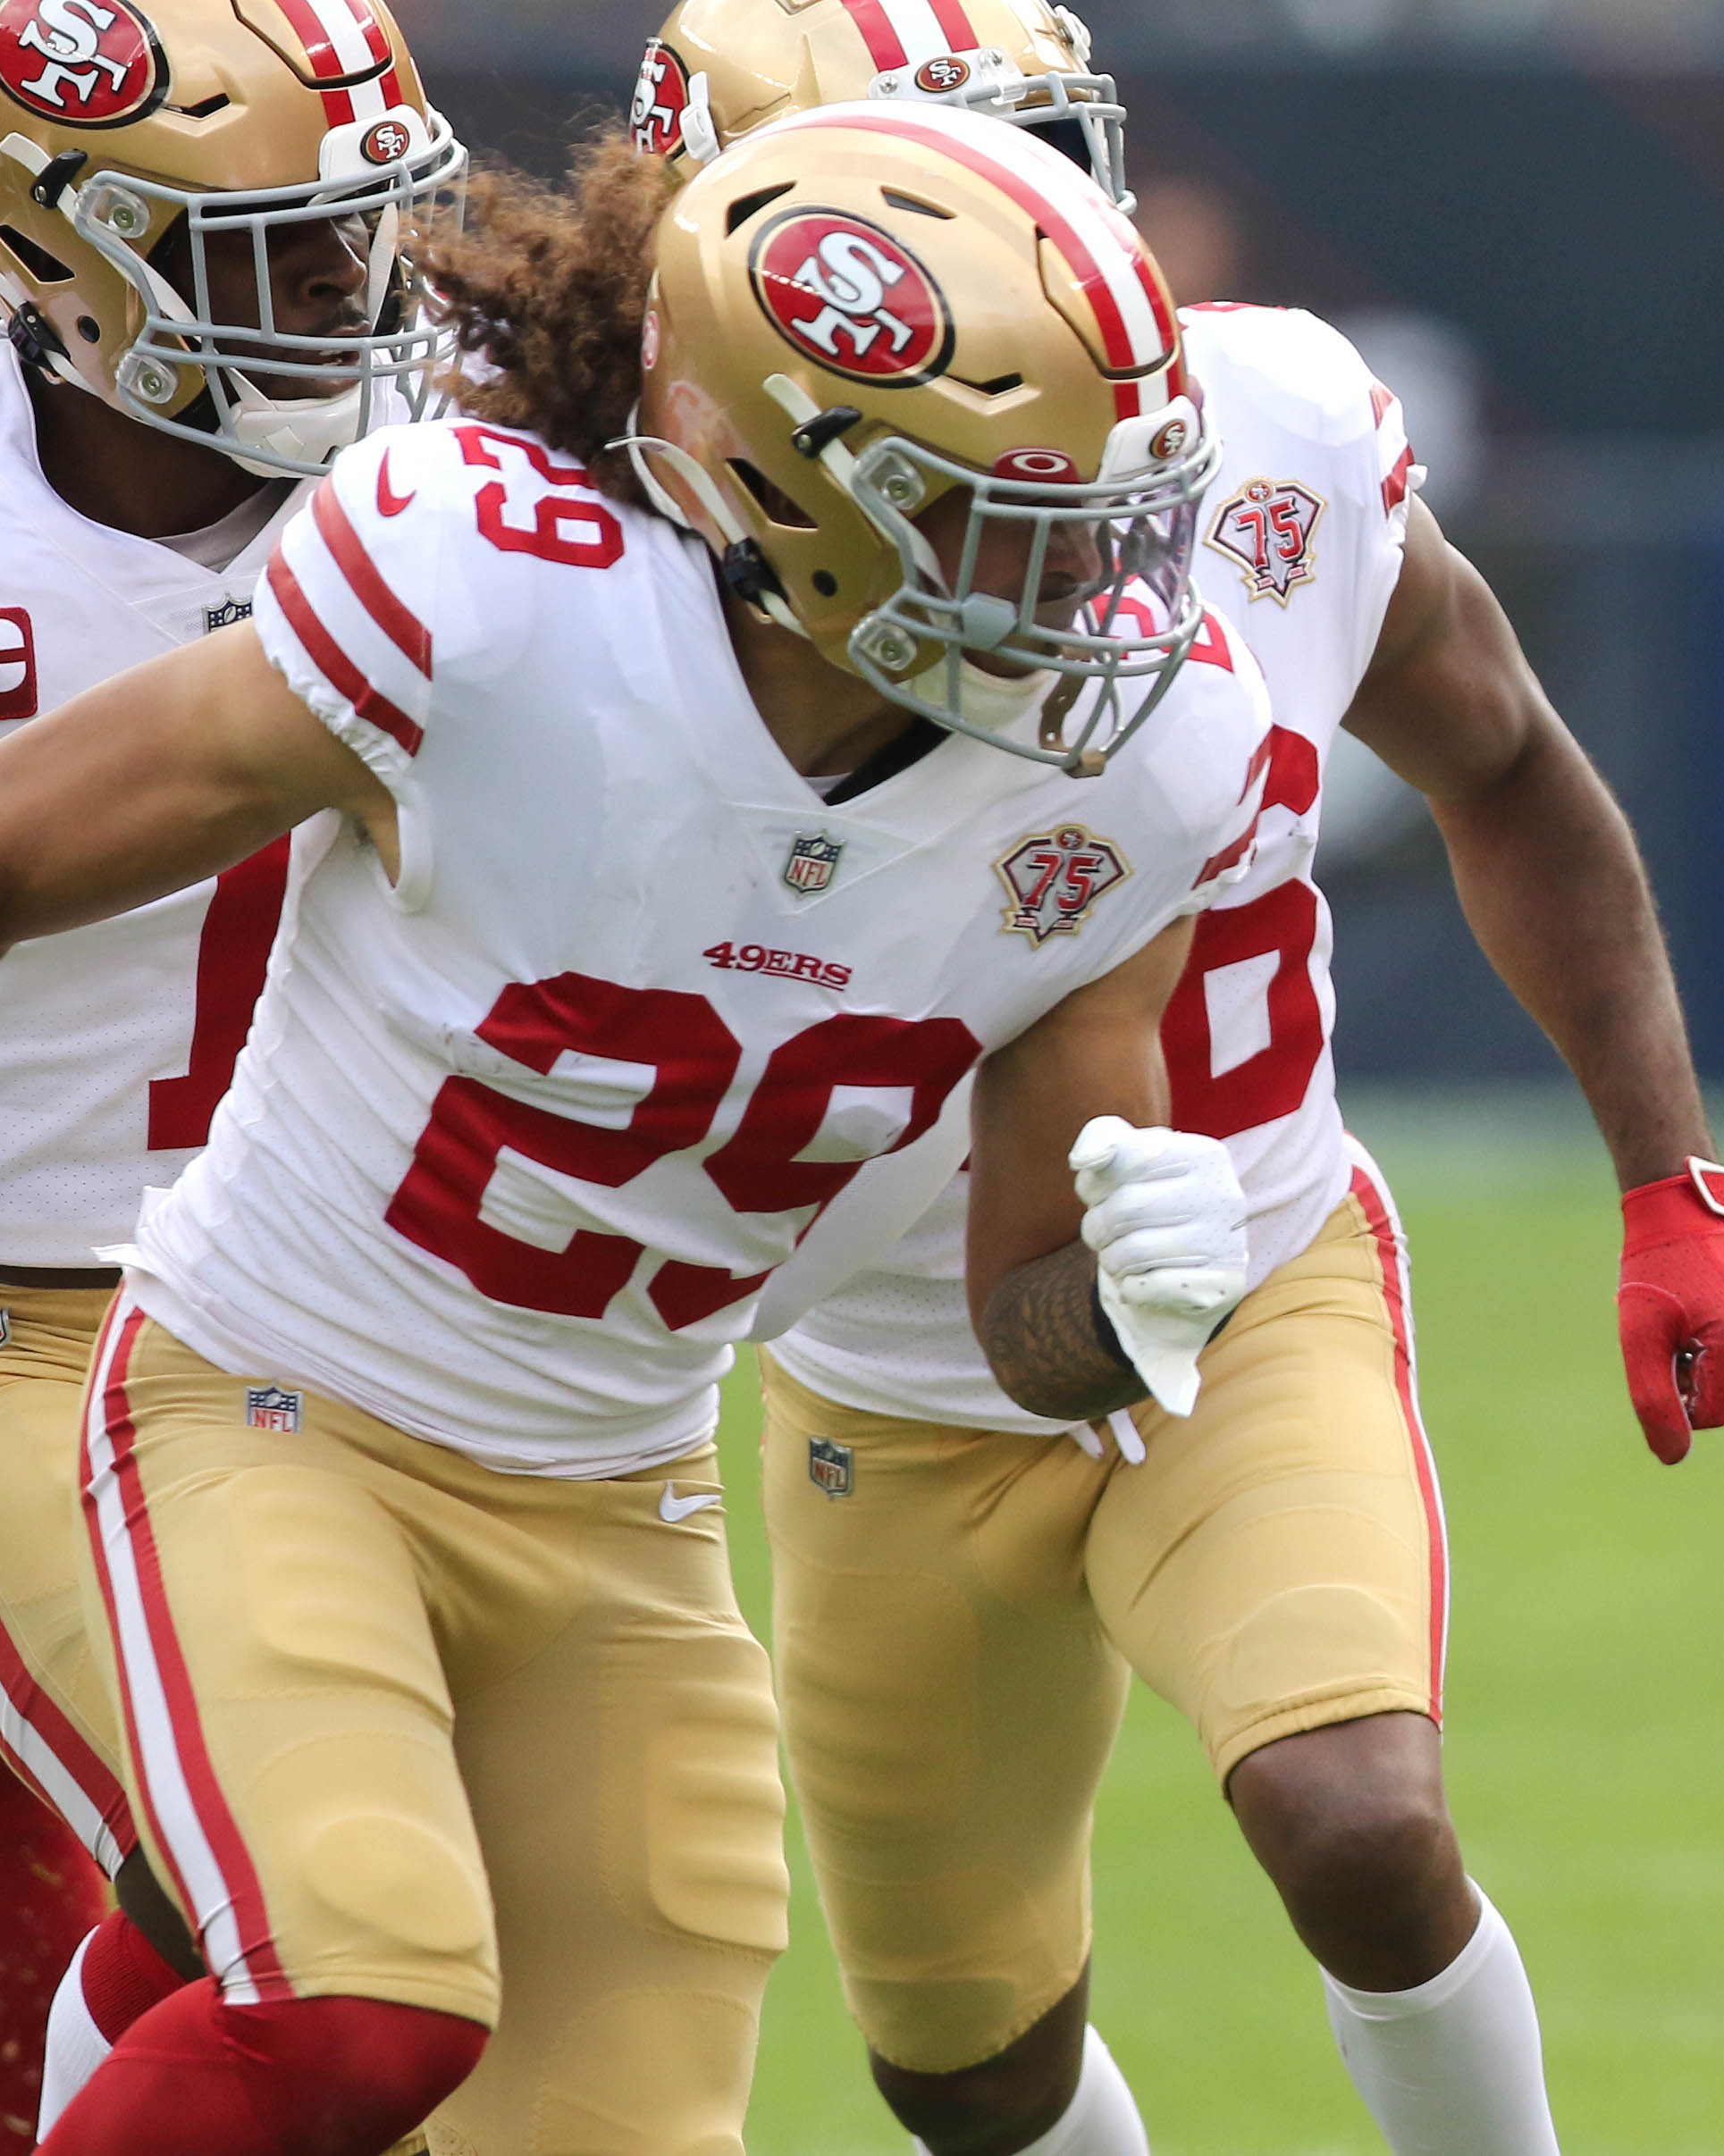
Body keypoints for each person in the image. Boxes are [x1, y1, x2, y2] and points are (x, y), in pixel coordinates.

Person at [0, 103, 1271, 2156]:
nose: (1101, 601)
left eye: (1117, 526)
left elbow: (1022, 1324)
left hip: (612, 1503)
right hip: (272, 1411)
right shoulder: (490, 593)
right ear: (793, 482)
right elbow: (30, 846)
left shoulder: (1130, 784)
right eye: (1015, 531)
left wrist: (1135, 1305)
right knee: (359, 2003)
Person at [627, 7, 1724, 2154]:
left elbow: (1510, 761)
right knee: (968, 2068)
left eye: (1052, 187)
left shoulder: (1263, 434)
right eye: (947, 238)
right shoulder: (602, 589)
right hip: (888, 1383)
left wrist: (1670, 1182)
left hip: (1245, 1273)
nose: (1041, 284)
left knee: (1353, 1814)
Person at [0, 1, 467, 2142]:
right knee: (317, 1911)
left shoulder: (474, 467)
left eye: (361, 237)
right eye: (269, 251)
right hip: (30, 1311)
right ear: (59, 254)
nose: (343, 303)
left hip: (339, 1324)